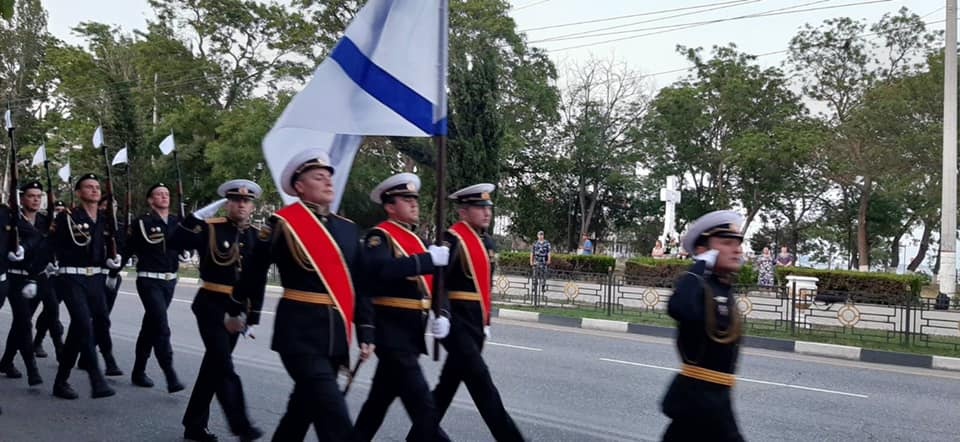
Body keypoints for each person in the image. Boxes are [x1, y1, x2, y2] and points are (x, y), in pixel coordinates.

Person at [233, 149, 373, 441]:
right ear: (299, 186)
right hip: (299, 335)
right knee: (333, 416)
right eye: (319, 177)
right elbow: (254, 272)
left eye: (329, 177)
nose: (328, 182)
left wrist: (366, 330)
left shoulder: (348, 230)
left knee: (302, 410)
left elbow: (359, 284)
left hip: (335, 339)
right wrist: (241, 309)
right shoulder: (283, 224)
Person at [353, 172, 451, 441]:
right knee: (424, 408)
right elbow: (382, 271)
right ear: (389, 206)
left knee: (375, 407)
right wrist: (425, 260)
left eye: (414, 199)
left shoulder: (418, 241)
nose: (414, 204)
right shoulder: (379, 237)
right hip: (392, 335)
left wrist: (442, 313)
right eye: (406, 199)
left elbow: (435, 286)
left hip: (409, 335)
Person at [427, 183, 525, 441]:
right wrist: (443, 314)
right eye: (479, 207)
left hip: (474, 326)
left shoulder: (487, 242)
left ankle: (420, 434)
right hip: (456, 325)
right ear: (463, 211)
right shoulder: (452, 239)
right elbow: (438, 283)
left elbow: (485, 287)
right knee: (484, 387)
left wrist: (486, 320)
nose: (486, 212)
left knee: (446, 387)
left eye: (488, 207)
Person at [171, 179, 264, 442]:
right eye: (235, 200)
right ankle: (241, 424)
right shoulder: (210, 229)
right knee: (222, 362)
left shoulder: (256, 237)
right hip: (211, 303)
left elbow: (256, 281)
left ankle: (194, 424)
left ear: (252, 207)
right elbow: (174, 241)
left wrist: (253, 317)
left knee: (213, 365)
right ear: (227, 204)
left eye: (246, 201)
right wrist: (195, 217)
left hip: (237, 312)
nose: (241, 205)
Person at [660, 210, 745, 442]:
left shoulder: (721, 288)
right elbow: (680, 308)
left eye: (738, 243)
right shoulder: (697, 286)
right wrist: (698, 268)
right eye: (727, 243)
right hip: (700, 401)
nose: (737, 249)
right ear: (703, 251)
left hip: (709, 403)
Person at [50, 173, 121, 399]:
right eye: (88, 187)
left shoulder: (105, 218)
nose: (94, 190)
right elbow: (48, 244)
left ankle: (61, 381)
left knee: (94, 324)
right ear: (79, 193)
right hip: (72, 277)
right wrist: (35, 273)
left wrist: (113, 263)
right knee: (83, 324)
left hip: (96, 279)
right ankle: (96, 379)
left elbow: (113, 246)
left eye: (97, 187)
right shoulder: (67, 216)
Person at [122, 182, 186, 393]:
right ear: (151, 200)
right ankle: (170, 374)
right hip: (149, 279)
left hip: (170, 280)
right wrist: (113, 269)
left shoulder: (178, 221)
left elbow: (187, 244)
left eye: (166, 194)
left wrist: (188, 251)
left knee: (150, 325)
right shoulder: (142, 222)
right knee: (161, 325)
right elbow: (127, 247)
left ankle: (138, 370)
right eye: (159, 194)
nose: (164, 196)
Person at [0, 182, 35, 384]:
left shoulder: (6, 214)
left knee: (24, 321)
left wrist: (21, 247)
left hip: (5, 278)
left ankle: (15, 363)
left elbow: (37, 236)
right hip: (10, 277)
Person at [32, 198, 64, 360]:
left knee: (51, 311)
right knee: (25, 317)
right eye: (56, 209)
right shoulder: (43, 226)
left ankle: (50, 345)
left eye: (61, 210)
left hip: (57, 279)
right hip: (38, 275)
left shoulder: (67, 229)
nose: (59, 212)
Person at [529, 230, 551, 295]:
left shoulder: (547, 243)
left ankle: (543, 287)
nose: (540, 236)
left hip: (544, 261)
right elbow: (532, 253)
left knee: (544, 275)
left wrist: (549, 260)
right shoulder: (535, 243)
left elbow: (549, 252)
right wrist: (531, 261)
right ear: (537, 236)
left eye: (542, 235)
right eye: (539, 235)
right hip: (536, 261)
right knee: (535, 274)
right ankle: (534, 286)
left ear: (543, 235)